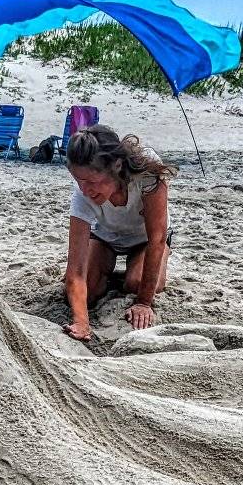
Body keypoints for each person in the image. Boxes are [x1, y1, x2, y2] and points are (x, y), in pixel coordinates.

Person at [62, 125, 176, 341]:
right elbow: (75, 269)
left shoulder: (147, 172)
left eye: (92, 182)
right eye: (79, 181)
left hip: (145, 239)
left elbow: (157, 238)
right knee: (88, 290)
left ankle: (137, 268)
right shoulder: (82, 194)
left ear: (116, 167)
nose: (85, 190)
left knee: (135, 283)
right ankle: (105, 269)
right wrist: (81, 322)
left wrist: (144, 302)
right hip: (105, 237)